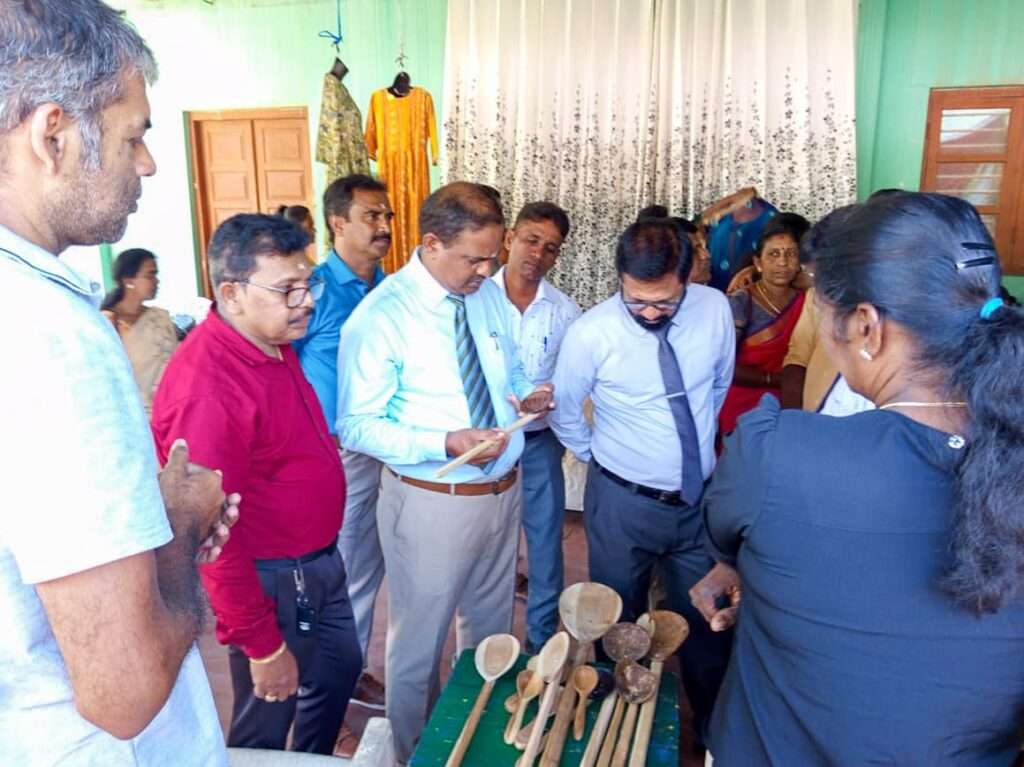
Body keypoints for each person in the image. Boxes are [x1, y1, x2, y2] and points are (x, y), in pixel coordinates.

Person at [691, 192, 1024, 765]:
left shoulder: (778, 453)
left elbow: (728, 536)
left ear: (867, 327)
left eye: (822, 313)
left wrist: (764, 576)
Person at [0, 2, 237, 763]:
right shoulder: (50, 335)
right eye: (133, 136)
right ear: (53, 136)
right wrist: (181, 523)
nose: (149, 164)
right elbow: (124, 690)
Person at [336, 181, 555, 763]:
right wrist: (443, 442)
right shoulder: (382, 316)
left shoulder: (483, 296)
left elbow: (505, 371)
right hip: (432, 499)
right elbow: (356, 426)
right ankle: (419, 753)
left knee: (489, 636)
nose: (486, 271)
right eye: (473, 259)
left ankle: (471, 742)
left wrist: (525, 394)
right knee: (419, 643)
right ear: (431, 243)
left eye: (492, 257)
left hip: (500, 494)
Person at [151, 214, 361, 755]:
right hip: (274, 579)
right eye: (287, 289)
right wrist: (261, 644)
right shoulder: (208, 389)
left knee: (338, 672)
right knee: (268, 714)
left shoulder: (271, 340)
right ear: (232, 293)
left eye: (308, 284)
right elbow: (211, 539)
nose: (306, 301)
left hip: (315, 562)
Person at [550, 219, 734, 741]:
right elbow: (565, 410)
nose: (651, 312)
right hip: (622, 503)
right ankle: (613, 728)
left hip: (697, 502)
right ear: (620, 280)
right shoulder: (592, 333)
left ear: (687, 277)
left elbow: (717, 385)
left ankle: (711, 730)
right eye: (637, 302)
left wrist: (688, 457)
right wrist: (602, 457)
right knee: (616, 617)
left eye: (665, 302)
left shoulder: (714, 310)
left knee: (706, 621)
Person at [294, 173, 392, 713]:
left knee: (377, 560)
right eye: (371, 216)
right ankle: (338, 680)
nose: (383, 226)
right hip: (341, 450)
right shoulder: (315, 290)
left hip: (391, 444)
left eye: (386, 216)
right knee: (348, 563)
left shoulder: (390, 288)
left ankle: (349, 667)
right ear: (338, 223)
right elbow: (283, 368)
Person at [492, 201, 580, 653]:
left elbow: (572, 381)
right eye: (531, 240)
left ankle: (540, 642)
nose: (538, 254)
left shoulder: (565, 312)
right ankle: (487, 644)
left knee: (545, 543)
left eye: (550, 248)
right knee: (486, 544)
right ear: (509, 238)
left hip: (539, 442)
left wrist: (551, 396)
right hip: (484, 444)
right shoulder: (475, 299)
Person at [718, 217, 807, 435]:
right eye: (774, 254)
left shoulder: (809, 301)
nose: (783, 262)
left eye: (791, 254)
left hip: (793, 400)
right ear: (758, 263)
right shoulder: (741, 301)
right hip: (744, 405)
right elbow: (722, 364)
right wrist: (774, 380)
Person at [100, 248, 179, 415]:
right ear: (129, 281)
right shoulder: (108, 322)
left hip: (169, 410)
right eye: (150, 275)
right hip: (132, 413)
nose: (156, 281)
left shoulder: (159, 318)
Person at [702, 188, 778, 291]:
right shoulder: (717, 218)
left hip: (754, 293)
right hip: (714, 291)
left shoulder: (771, 219)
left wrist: (753, 270)